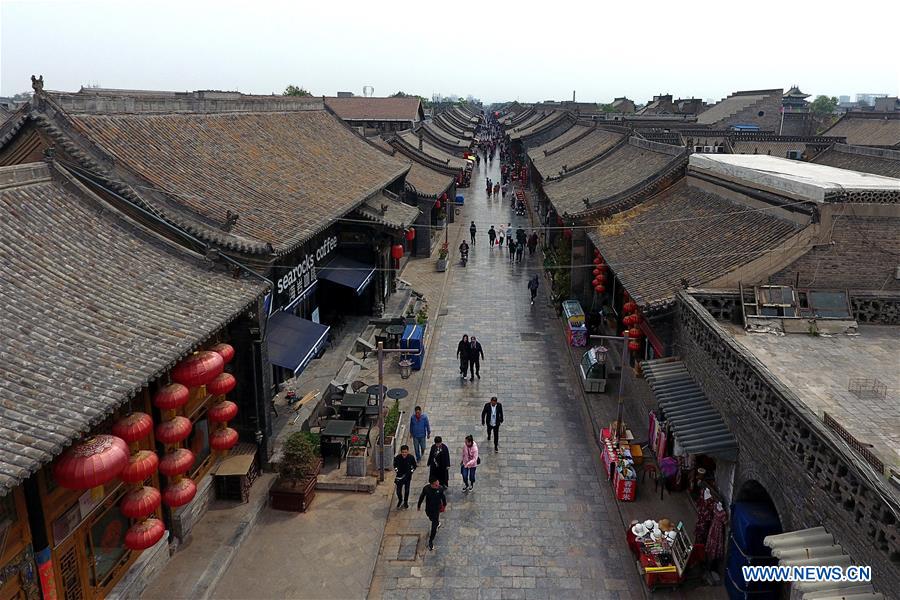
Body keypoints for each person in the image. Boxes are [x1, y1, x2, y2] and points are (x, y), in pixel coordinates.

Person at [417, 476, 447, 551]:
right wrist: (419, 505)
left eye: (438, 484)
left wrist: (444, 505)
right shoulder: (426, 489)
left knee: (434, 526)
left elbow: (443, 497)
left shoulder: (440, 489)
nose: (438, 486)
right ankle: (436, 523)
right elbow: (422, 496)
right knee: (430, 517)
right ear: (432, 484)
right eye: (436, 485)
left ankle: (431, 541)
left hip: (436, 509)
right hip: (429, 509)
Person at [393, 445, 417, 509]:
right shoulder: (397, 457)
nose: (404, 454)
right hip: (400, 476)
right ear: (401, 452)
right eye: (403, 452)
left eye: (405, 452)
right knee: (398, 491)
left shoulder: (411, 457)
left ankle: (405, 502)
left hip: (407, 477)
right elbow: (395, 465)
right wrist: (397, 470)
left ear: (408, 451)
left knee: (407, 491)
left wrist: (411, 471)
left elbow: (414, 465)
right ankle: (400, 500)